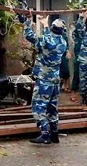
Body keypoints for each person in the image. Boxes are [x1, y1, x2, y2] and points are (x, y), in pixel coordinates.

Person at [23, 16, 68, 144]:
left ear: (52, 28)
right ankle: (54, 133)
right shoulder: (63, 42)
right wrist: (45, 25)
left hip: (44, 80)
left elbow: (29, 36)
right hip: (54, 80)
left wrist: (28, 22)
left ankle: (45, 134)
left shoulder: (46, 40)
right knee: (52, 108)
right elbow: (50, 39)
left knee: (39, 107)